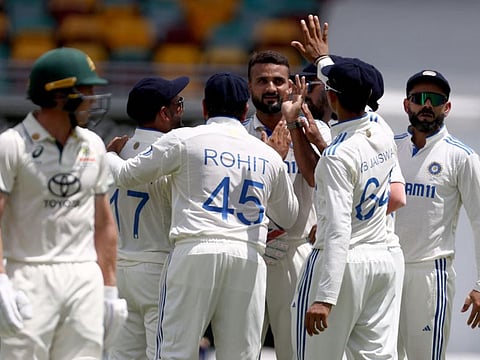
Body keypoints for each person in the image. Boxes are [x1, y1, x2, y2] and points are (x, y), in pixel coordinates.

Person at [105, 72, 299, 360]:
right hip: (247, 255)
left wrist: (108, 152)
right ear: (245, 110)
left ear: (205, 108)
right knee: (242, 354)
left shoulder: (184, 139)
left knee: (174, 352)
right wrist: (275, 165)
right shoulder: (268, 154)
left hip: (194, 249)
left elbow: (125, 175)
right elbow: (289, 215)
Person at [290, 16, 406, 359]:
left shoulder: (337, 156)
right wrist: (324, 59)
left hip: (341, 267)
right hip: (381, 264)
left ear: (331, 97)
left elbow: (338, 229)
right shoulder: (382, 129)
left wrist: (324, 297)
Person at [0, 47, 127, 359]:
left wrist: (109, 289)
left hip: (83, 276)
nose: (94, 98)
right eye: (87, 90)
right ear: (59, 95)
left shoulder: (93, 145)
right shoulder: (11, 145)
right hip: (27, 274)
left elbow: (104, 223)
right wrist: (0, 280)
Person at [243, 49, 331, 360]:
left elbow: (333, 185)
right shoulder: (237, 136)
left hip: (296, 251)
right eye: (262, 81)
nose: (270, 88)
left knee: (295, 350)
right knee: (241, 348)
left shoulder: (314, 130)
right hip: (249, 251)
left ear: (291, 85)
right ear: (250, 86)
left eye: (278, 81)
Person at [394, 69, 480, 359]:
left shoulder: (462, 156)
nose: (427, 105)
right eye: (419, 98)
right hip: (385, 271)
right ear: (407, 105)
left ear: (447, 107)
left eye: (435, 99)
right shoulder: (388, 147)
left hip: (429, 275)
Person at [107, 76, 189, 360]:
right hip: (158, 267)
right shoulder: (175, 151)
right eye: (178, 104)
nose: (182, 108)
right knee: (163, 353)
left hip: (122, 267)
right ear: (163, 114)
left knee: (123, 355)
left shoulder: (118, 151)